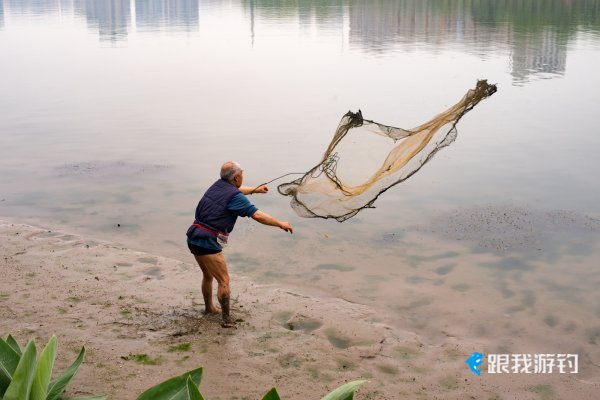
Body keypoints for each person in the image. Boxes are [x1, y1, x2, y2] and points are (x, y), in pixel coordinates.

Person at [186, 161, 293, 328]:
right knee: (224, 280)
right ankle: (226, 320)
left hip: (194, 236)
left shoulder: (217, 186)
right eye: (241, 175)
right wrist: (280, 223)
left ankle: (209, 309)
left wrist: (255, 190)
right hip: (208, 241)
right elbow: (257, 215)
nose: (242, 178)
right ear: (236, 178)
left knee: (208, 276)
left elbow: (236, 191)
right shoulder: (235, 196)